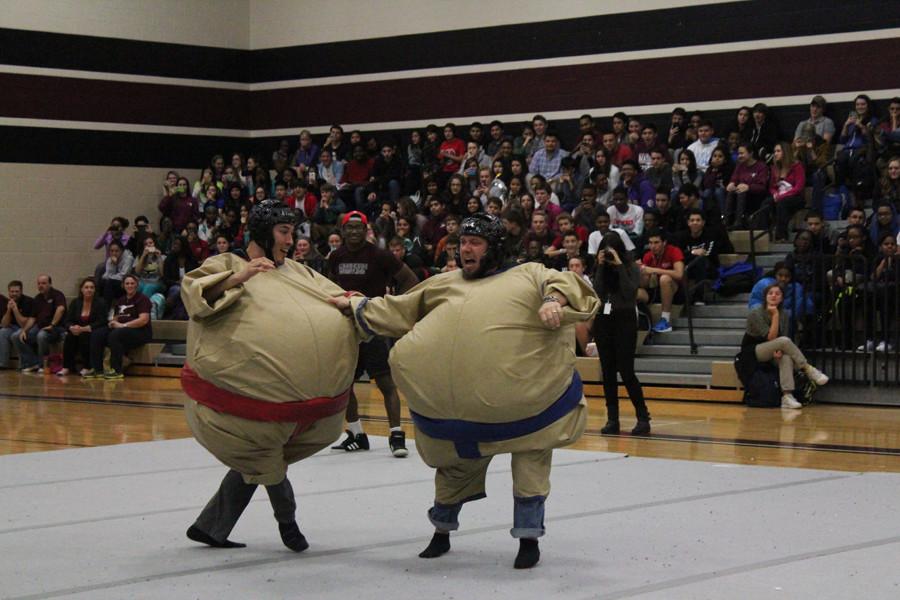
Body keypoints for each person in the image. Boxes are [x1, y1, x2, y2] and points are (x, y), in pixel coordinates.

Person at [330, 213, 599, 569]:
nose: (465, 249)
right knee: (453, 471)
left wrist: (554, 302)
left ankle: (529, 540)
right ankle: (441, 533)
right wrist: (353, 305)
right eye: (462, 243)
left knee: (531, 469)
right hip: (462, 419)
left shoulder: (528, 274)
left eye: (475, 243)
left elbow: (566, 283)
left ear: (494, 248)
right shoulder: (444, 282)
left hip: (528, 414)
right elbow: (399, 309)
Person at [179, 199, 360, 552]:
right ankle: (288, 524)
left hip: (296, 410)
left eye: (292, 232)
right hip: (240, 401)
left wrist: (357, 306)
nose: (290, 241)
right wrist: (239, 276)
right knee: (265, 458)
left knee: (261, 457)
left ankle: (210, 526)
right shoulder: (227, 263)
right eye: (284, 232)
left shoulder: (296, 271)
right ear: (263, 232)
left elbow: (335, 295)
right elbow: (195, 295)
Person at [328, 211, 419, 457]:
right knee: (344, 384)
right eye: (350, 228)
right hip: (347, 329)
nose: (355, 232)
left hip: (372, 326)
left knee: (385, 382)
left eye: (359, 228)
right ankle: (357, 434)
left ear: (366, 230)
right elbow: (329, 289)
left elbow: (410, 279)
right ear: (343, 230)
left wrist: (394, 306)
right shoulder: (335, 257)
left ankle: (397, 435)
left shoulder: (379, 255)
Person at [592, 232, 650, 435]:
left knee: (626, 371)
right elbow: (597, 293)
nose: (607, 255)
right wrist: (600, 266)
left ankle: (643, 417)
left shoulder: (631, 267)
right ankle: (612, 419)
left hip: (624, 321)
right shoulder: (598, 268)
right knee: (607, 372)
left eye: (612, 250)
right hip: (603, 321)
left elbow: (629, 292)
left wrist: (618, 265)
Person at [739, 283, 829, 409]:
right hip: (753, 352)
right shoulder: (756, 313)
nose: (774, 296)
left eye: (777, 293)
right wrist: (775, 315)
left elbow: (783, 337)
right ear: (765, 297)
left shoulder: (785, 314)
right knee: (784, 341)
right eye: (770, 293)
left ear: (782, 298)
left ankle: (787, 396)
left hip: (775, 348)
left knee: (786, 358)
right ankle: (808, 369)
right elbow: (770, 337)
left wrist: (777, 349)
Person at [84, 275, 151, 380]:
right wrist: (113, 322)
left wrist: (123, 325)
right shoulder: (121, 300)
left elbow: (144, 320)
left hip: (140, 331)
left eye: (132, 283)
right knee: (97, 334)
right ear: (123, 286)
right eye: (127, 283)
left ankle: (116, 370)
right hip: (122, 329)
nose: (130, 286)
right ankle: (97, 369)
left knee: (116, 335)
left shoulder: (143, 299)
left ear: (137, 285)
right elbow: (116, 317)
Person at [12, 274, 66, 373]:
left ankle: (43, 365)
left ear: (50, 284)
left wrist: (52, 325)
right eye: (39, 283)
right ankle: (33, 363)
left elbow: (61, 309)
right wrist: (24, 330)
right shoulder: (37, 298)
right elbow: (32, 318)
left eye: (44, 283)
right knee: (17, 336)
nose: (41, 286)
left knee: (41, 336)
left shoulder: (57, 294)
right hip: (39, 326)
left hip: (56, 327)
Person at [59, 277, 108, 377]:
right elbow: (67, 320)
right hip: (77, 329)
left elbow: (102, 321)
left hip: (92, 330)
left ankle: (87, 366)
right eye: (86, 287)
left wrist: (87, 328)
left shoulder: (101, 303)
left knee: (84, 336)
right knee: (70, 336)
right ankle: (66, 367)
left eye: (91, 287)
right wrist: (71, 327)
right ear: (81, 289)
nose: (89, 290)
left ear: (95, 290)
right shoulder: (75, 302)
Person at [638, 230, 684, 333]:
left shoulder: (674, 251)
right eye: (650, 243)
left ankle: (665, 320)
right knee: (637, 292)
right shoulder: (648, 256)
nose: (653, 246)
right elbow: (645, 283)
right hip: (656, 290)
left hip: (676, 290)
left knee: (664, 278)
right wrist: (640, 271)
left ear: (664, 242)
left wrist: (654, 270)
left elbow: (679, 274)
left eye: (656, 242)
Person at [0, 280, 33, 370]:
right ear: (8, 292)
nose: (14, 294)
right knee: (3, 332)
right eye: (12, 291)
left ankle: (24, 364)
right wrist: (8, 310)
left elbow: (23, 323)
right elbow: (4, 324)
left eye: (16, 291)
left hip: (27, 327)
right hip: (13, 327)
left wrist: (15, 310)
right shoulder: (8, 302)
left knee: (16, 335)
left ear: (21, 291)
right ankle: (3, 364)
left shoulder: (28, 301)